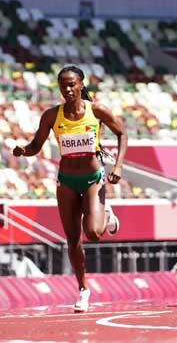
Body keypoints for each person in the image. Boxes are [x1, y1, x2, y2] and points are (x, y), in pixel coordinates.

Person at [12, 65, 126, 312]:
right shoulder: (52, 115)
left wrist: (118, 166)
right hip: (66, 181)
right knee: (73, 239)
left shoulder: (96, 111)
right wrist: (24, 151)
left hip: (93, 178)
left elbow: (122, 133)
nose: (68, 89)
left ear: (82, 84)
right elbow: (36, 145)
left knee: (94, 233)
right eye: (63, 85)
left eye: (72, 84)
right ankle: (83, 289)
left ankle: (106, 214)